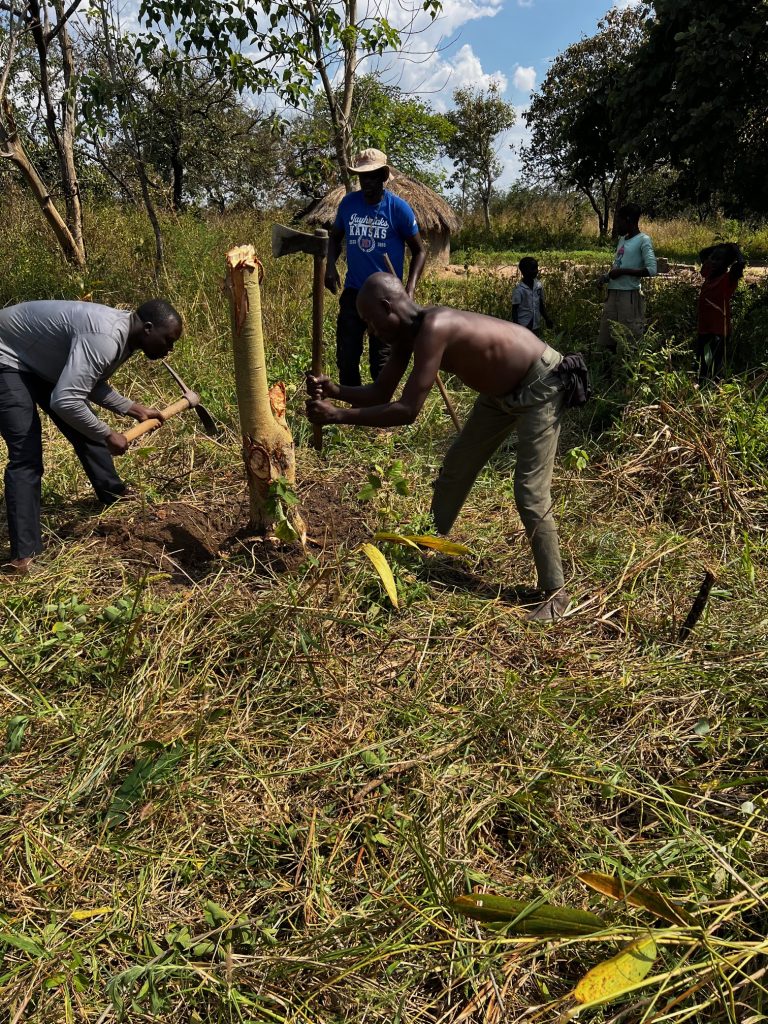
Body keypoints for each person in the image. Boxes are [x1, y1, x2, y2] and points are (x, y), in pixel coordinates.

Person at [307, 274, 586, 621]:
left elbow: (407, 411)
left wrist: (337, 417)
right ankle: (428, 546)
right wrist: (336, 391)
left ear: (386, 307)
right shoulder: (408, 336)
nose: (370, 332)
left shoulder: (435, 326)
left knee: (529, 491)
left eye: (369, 321)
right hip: (500, 396)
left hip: (541, 384)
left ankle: (556, 594)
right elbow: (380, 393)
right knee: (456, 468)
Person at [0, 298, 183, 574]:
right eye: (168, 340)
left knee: (83, 424)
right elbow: (66, 400)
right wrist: (109, 434)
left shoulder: (125, 337)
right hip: (7, 354)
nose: (169, 349)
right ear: (148, 328)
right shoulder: (106, 338)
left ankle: (113, 493)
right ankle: (24, 558)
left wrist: (133, 409)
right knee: (26, 454)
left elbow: (89, 382)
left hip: (36, 356)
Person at [325, 148, 426, 387]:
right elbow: (334, 237)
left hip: (387, 297)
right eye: (362, 176)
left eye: (372, 176)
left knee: (382, 356)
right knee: (347, 352)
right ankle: (353, 403)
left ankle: (380, 409)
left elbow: (419, 251)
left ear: (383, 176)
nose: (367, 182)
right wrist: (330, 266)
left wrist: (409, 290)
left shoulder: (398, 209)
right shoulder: (349, 204)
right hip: (355, 290)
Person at [597, 204, 657, 351]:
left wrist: (623, 272)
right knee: (608, 337)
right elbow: (618, 266)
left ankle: (626, 372)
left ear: (628, 220)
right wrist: (606, 277)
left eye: (619, 221)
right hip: (613, 294)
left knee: (628, 341)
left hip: (628, 297)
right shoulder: (622, 240)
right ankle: (607, 372)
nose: (617, 225)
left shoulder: (643, 240)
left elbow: (651, 270)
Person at [695, 243, 745, 383]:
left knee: (715, 366)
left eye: (719, 259)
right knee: (702, 364)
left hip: (718, 331)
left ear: (726, 263)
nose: (713, 261)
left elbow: (741, 264)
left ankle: (714, 389)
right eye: (713, 258)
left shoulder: (728, 279)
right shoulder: (708, 273)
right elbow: (703, 252)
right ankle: (702, 387)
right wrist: (722, 246)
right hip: (703, 329)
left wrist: (736, 250)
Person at [511, 257, 553, 334]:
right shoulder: (519, 289)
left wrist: (547, 318)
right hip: (523, 325)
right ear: (524, 271)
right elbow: (514, 310)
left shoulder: (538, 286)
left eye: (536, 268)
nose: (536, 271)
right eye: (533, 269)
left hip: (536, 325)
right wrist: (516, 326)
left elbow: (540, 304)